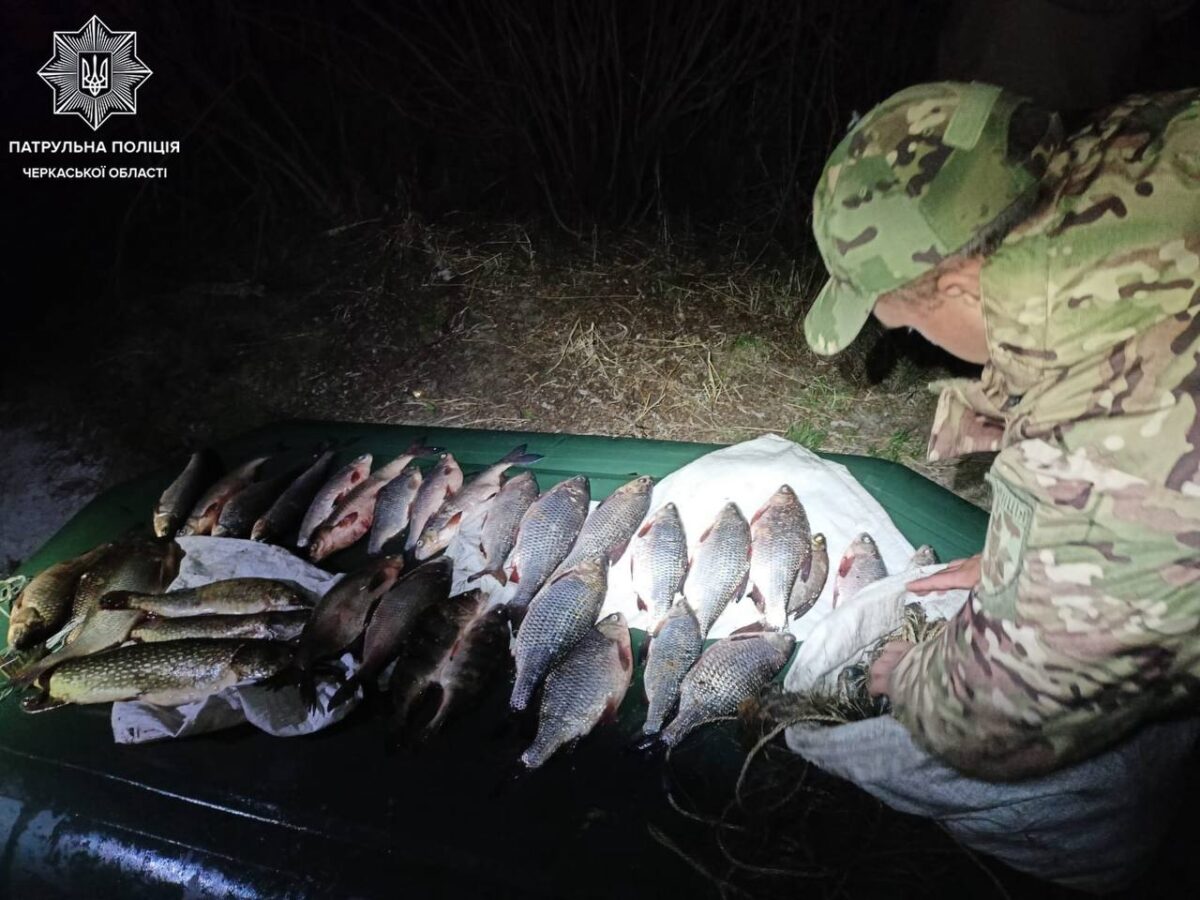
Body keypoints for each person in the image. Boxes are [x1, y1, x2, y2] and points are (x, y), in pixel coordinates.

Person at [803, 81, 1200, 780]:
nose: (915, 336)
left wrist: (917, 675)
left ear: (957, 286)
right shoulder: (1137, 140)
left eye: (907, 321)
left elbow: (1000, 715)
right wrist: (1025, 563)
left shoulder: (1109, 431)